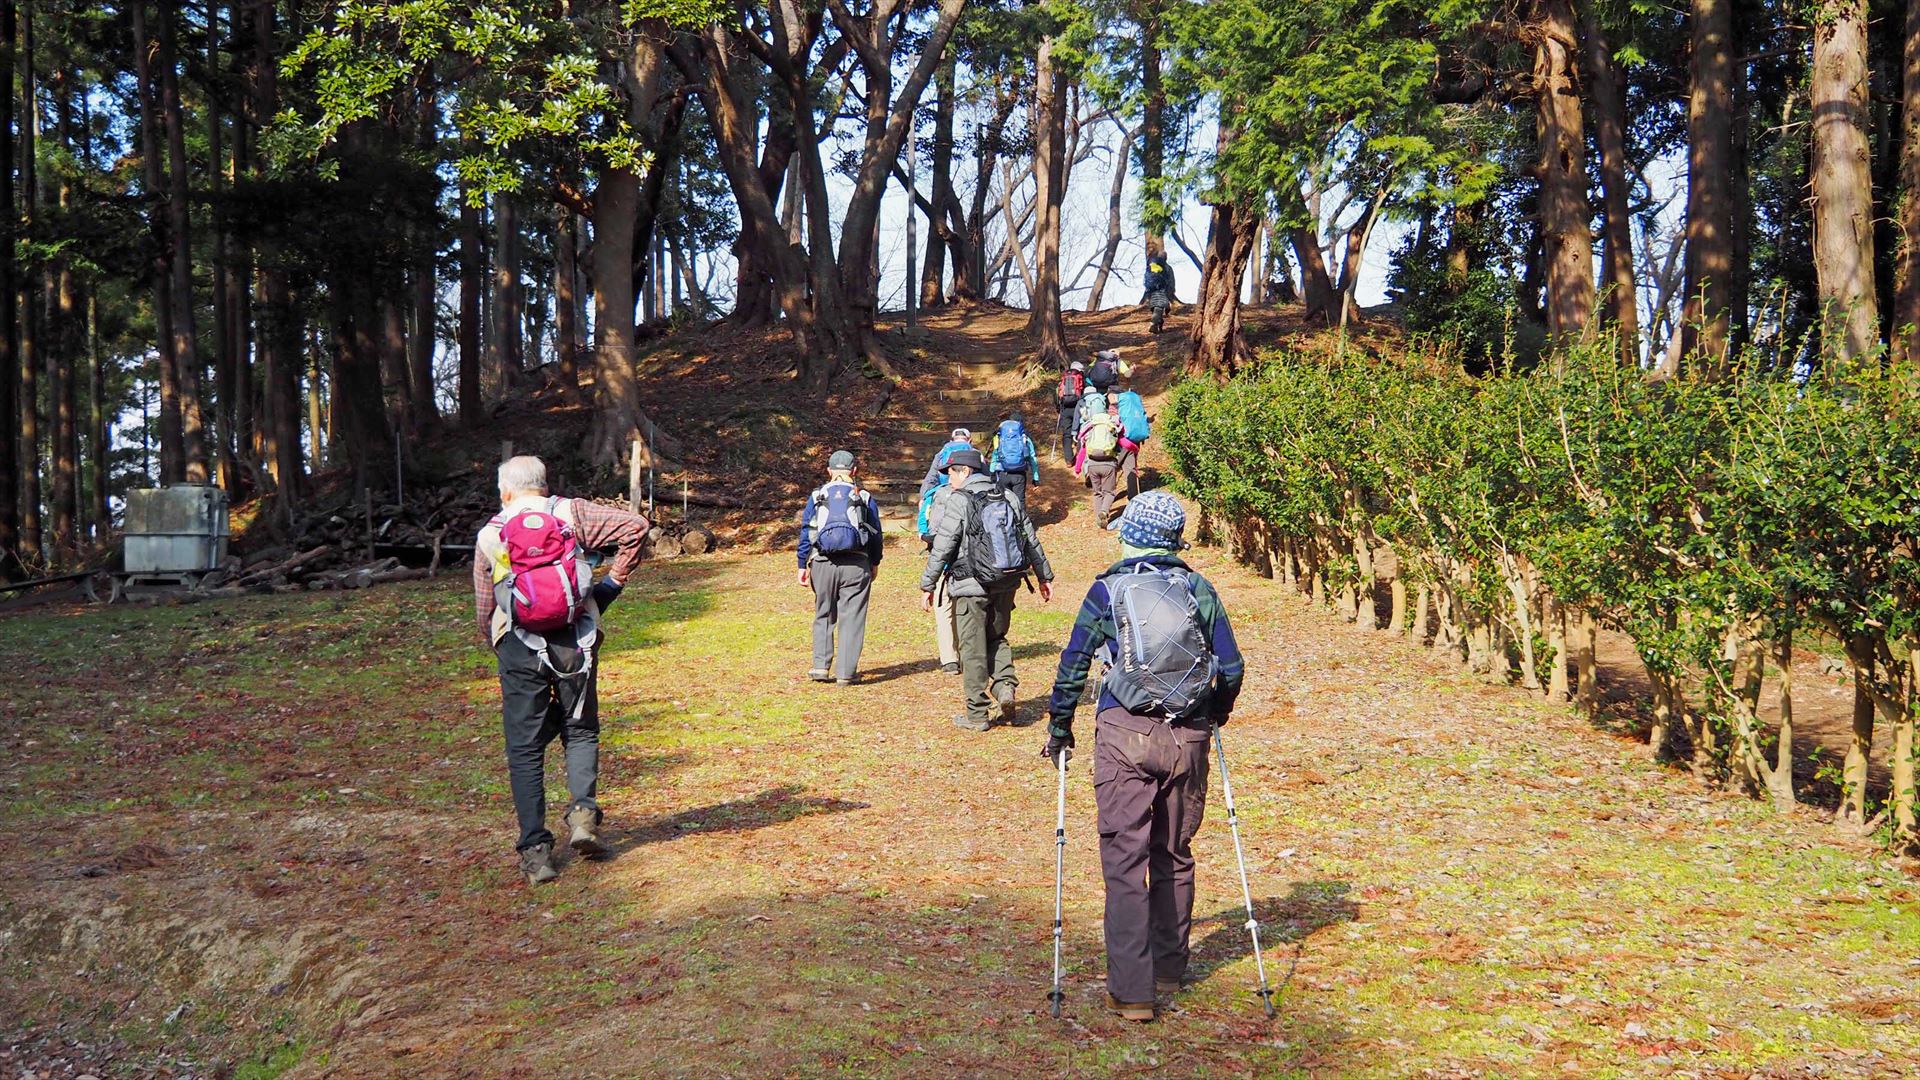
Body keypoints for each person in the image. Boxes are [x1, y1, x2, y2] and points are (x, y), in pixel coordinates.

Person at [1040, 491, 1245, 1022]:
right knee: (1173, 851)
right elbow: (1231, 666)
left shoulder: (1107, 590)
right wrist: (1214, 714)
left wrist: (1060, 727)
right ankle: (1170, 968)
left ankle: (1133, 993)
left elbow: (1074, 663)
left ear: (1129, 536)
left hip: (1123, 734)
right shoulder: (1199, 588)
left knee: (1125, 859)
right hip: (1188, 736)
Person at [473, 455, 650, 886]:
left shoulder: (491, 532)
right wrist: (611, 584)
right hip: (577, 639)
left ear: (505, 491)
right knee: (581, 728)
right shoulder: (573, 513)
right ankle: (583, 817)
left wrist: (498, 643)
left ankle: (536, 853)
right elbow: (636, 527)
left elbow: (484, 604)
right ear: (544, 485)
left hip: (518, 645)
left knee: (524, 747)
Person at [919, 449, 1056, 731]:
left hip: (970, 586)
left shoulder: (959, 499)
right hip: (1005, 582)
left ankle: (977, 714)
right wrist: (1044, 576)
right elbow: (1030, 538)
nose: (948, 478)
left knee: (972, 648)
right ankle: (1005, 687)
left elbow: (943, 545)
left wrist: (928, 584)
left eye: (951, 473)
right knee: (997, 637)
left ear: (965, 472)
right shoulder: (1008, 497)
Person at [798, 449, 885, 685]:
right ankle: (846, 673)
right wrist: (875, 561)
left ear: (828, 471)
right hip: (857, 563)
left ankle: (820, 666)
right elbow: (876, 533)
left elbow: (807, 530)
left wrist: (802, 564)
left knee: (823, 612)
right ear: (854, 471)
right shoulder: (863, 496)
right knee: (852, 617)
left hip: (822, 562)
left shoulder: (817, 495)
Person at [1075, 394, 1122, 528]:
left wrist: (1078, 469)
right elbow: (1120, 443)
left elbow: (1082, 448)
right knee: (1109, 492)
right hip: (1108, 463)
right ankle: (1104, 511)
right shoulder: (1112, 425)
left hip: (1092, 464)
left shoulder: (1090, 426)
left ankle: (1098, 519)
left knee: (1097, 493)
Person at [989, 414, 1041, 503]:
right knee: (1019, 501)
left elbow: (995, 455)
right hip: (1019, 474)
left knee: (1003, 501)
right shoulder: (1025, 439)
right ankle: (1020, 512)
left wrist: (992, 473)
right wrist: (1036, 478)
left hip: (1003, 473)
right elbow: (1032, 459)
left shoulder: (999, 437)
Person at [919, 428, 975, 504]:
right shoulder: (976, 454)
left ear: (951, 441)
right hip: (970, 494)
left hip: (946, 494)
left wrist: (924, 498)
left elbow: (931, 477)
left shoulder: (941, 454)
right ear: (970, 441)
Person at [1056, 361, 1087, 462]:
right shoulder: (1082, 379)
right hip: (1078, 407)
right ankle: (1080, 458)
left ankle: (1069, 459)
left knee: (1066, 434)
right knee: (1080, 431)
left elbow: (1057, 394)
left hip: (1065, 408)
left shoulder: (1063, 379)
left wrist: (1058, 408)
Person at [1142, 258, 1175, 333]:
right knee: (1159, 309)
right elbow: (1169, 281)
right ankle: (1153, 324)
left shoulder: (1150, 269)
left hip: (1152, 292)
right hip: (1162, 292)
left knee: (1156, 310)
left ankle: (1157, 327)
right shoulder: (1164, 269)